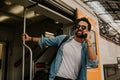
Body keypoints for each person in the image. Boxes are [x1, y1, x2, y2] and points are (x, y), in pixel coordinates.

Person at [23, 17, 98, 80]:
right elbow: (46, 41)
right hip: (56, 77)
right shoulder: (64, 39)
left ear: (88, 31)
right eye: (78, 26)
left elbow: (93, 63)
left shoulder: (86, 48)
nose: (80, 28)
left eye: (83, 27)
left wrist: (88, 41)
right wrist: (30, 38)